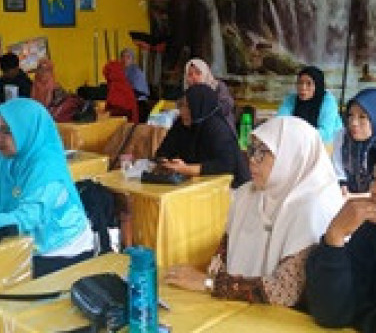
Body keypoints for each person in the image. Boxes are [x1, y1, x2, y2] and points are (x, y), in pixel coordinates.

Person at [165, 116, 343, 307]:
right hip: (234, 306)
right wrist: (211, 280)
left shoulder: (314, 208)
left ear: (292, 156)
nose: (251, 160)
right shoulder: (247, 194)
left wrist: (209, 284)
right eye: (251, 150)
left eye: (262, 152)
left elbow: (285, 292)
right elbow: (221, 259)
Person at [0, 98, 94, 278]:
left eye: (7, 131)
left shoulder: (47, 167)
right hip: (23, 241)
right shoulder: (1, 160)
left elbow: (28, 219)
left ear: (27, 130)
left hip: (60, 248)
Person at [306, 183, 376, 332]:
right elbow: (330, 314)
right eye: (375, 179)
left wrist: (359, 315)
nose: (373, 190)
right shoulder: (370, 231)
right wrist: (335, 234)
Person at [156, 84, 250, 189]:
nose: (182, 111)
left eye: (188, 107)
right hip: (197, 185)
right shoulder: (181, 123)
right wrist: (166, 164)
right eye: (181, 105)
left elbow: (226, 165)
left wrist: (186, 169)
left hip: (230, 188)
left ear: (199, 107)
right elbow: (163, 151)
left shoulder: (217, 128)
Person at [277, 66, 342, 144]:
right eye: (300, 83)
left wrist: (298, 137)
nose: (303, 87)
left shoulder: (328, 101)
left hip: (328, 145)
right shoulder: (291, 99)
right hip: (299, 142)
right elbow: (280, 121)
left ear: (317, 85)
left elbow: (325, 133)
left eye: (309, 84)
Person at [332, 88, 376, 195]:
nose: (354, 123)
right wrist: (342, 183)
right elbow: (337, 164)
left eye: (362, 117)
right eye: (350, 115)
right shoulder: (342, 135)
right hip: (347, 196)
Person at [184, 58, 236, 134]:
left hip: (221, 133)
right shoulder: (189, 93)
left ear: (205, 73)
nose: (194, 77)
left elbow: (226, 106)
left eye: (198, 73)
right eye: (190, 74)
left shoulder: (217, 87)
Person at [120, 48, 150, 122]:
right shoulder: (122, 71)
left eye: (128, 57)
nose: (125, 59)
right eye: (123, 57)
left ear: (133, 60)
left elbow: (138, 93)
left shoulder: (136, 72)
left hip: (138, 105)